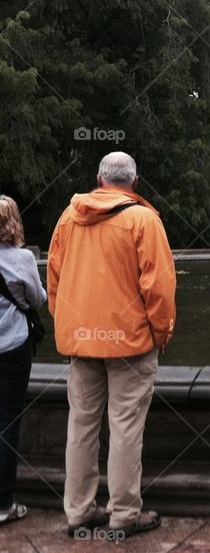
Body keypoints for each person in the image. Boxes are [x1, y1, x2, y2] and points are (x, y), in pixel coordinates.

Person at [47, 152, 176, 538]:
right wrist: (161, 333)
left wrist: (69, 324)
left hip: (81, 342)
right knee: (125, 428)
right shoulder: (143, 220)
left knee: (81, 427)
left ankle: (80, 511)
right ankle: (123, 515)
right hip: (130, 344)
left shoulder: (68, 218)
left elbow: (54, 281)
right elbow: (160, 288)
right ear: (134, 183)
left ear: (99, 179)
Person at [0, 196, 46, 526]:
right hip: (12, 346)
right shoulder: (22, 259)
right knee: (7, 421)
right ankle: (3, 503)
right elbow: (38, 300)